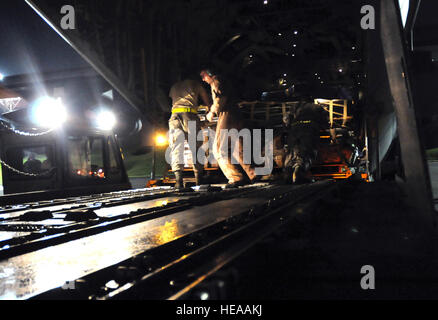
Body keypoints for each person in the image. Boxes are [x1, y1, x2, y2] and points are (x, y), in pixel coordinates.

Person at [200, 69, 257, 188]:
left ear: (209, 73)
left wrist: (212, 112)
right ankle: (252, 173)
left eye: (204, 76)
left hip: (227, 115)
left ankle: (235, 178)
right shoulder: (223, 80)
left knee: (219, 148)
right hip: (235, 114)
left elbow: (220, 99)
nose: (203, 79)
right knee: (237, 147)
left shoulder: (216, 81)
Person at [168, 77, 211, 189]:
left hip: (174, 117)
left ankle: (178, 181)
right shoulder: (195, 83)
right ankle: (199, 179)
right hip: (189, 116)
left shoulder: (174, 86)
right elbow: (207, 101)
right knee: (196, 147)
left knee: (176, 148)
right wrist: (209, 110)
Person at [283, 101, 326, 183]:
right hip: (309, 129)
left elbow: (286, 117)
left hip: (295, 129)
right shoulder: (318, 107)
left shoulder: (295, 106)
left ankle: (288, 176)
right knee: (306, 153)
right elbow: (324, 121)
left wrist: (288, 127)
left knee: (291, 152)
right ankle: (299, 176)